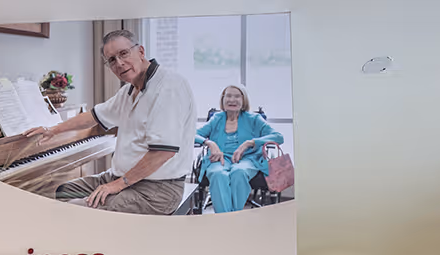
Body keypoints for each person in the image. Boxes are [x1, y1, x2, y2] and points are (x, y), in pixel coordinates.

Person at [25, 29, 196, 214]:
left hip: (157, 189)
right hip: (122, 177)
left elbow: (162, 153)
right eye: (112, 60)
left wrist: (118, 185)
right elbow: (93, 116)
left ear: (141, 51)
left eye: (124, 53)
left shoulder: (168, 86)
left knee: (74, 211)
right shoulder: (128, 91)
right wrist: (53, 130)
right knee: (64, 192)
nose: (119, 63)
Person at [195, 84, 284, 213]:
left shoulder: (254, 119)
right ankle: (225, 219)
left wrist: (250, 143)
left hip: (248, 159)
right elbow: (192, 134)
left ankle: (234, 216)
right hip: (219, 159)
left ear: (244, 101)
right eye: (228, 96)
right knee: (217, 174)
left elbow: (278, 137)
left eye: (237, 96)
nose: (232, 100)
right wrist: (209, 143)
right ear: (223, 100)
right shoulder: (217, 119)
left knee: (239, 172)